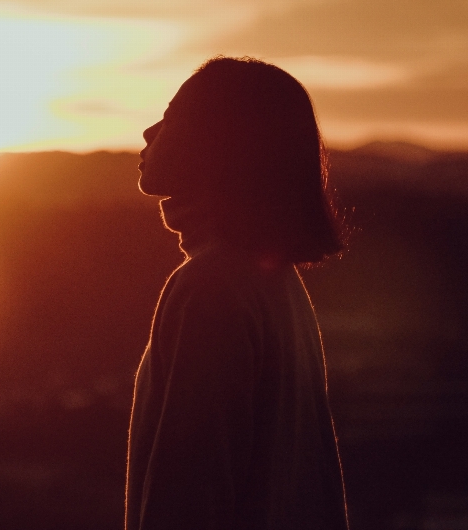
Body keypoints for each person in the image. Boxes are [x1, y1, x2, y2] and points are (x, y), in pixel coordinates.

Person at [126, 56, 349, 530]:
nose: (149, 131)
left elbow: (189, 496)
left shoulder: (210, 289)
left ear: (215, 144)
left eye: (171, 116)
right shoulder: (276, 283)